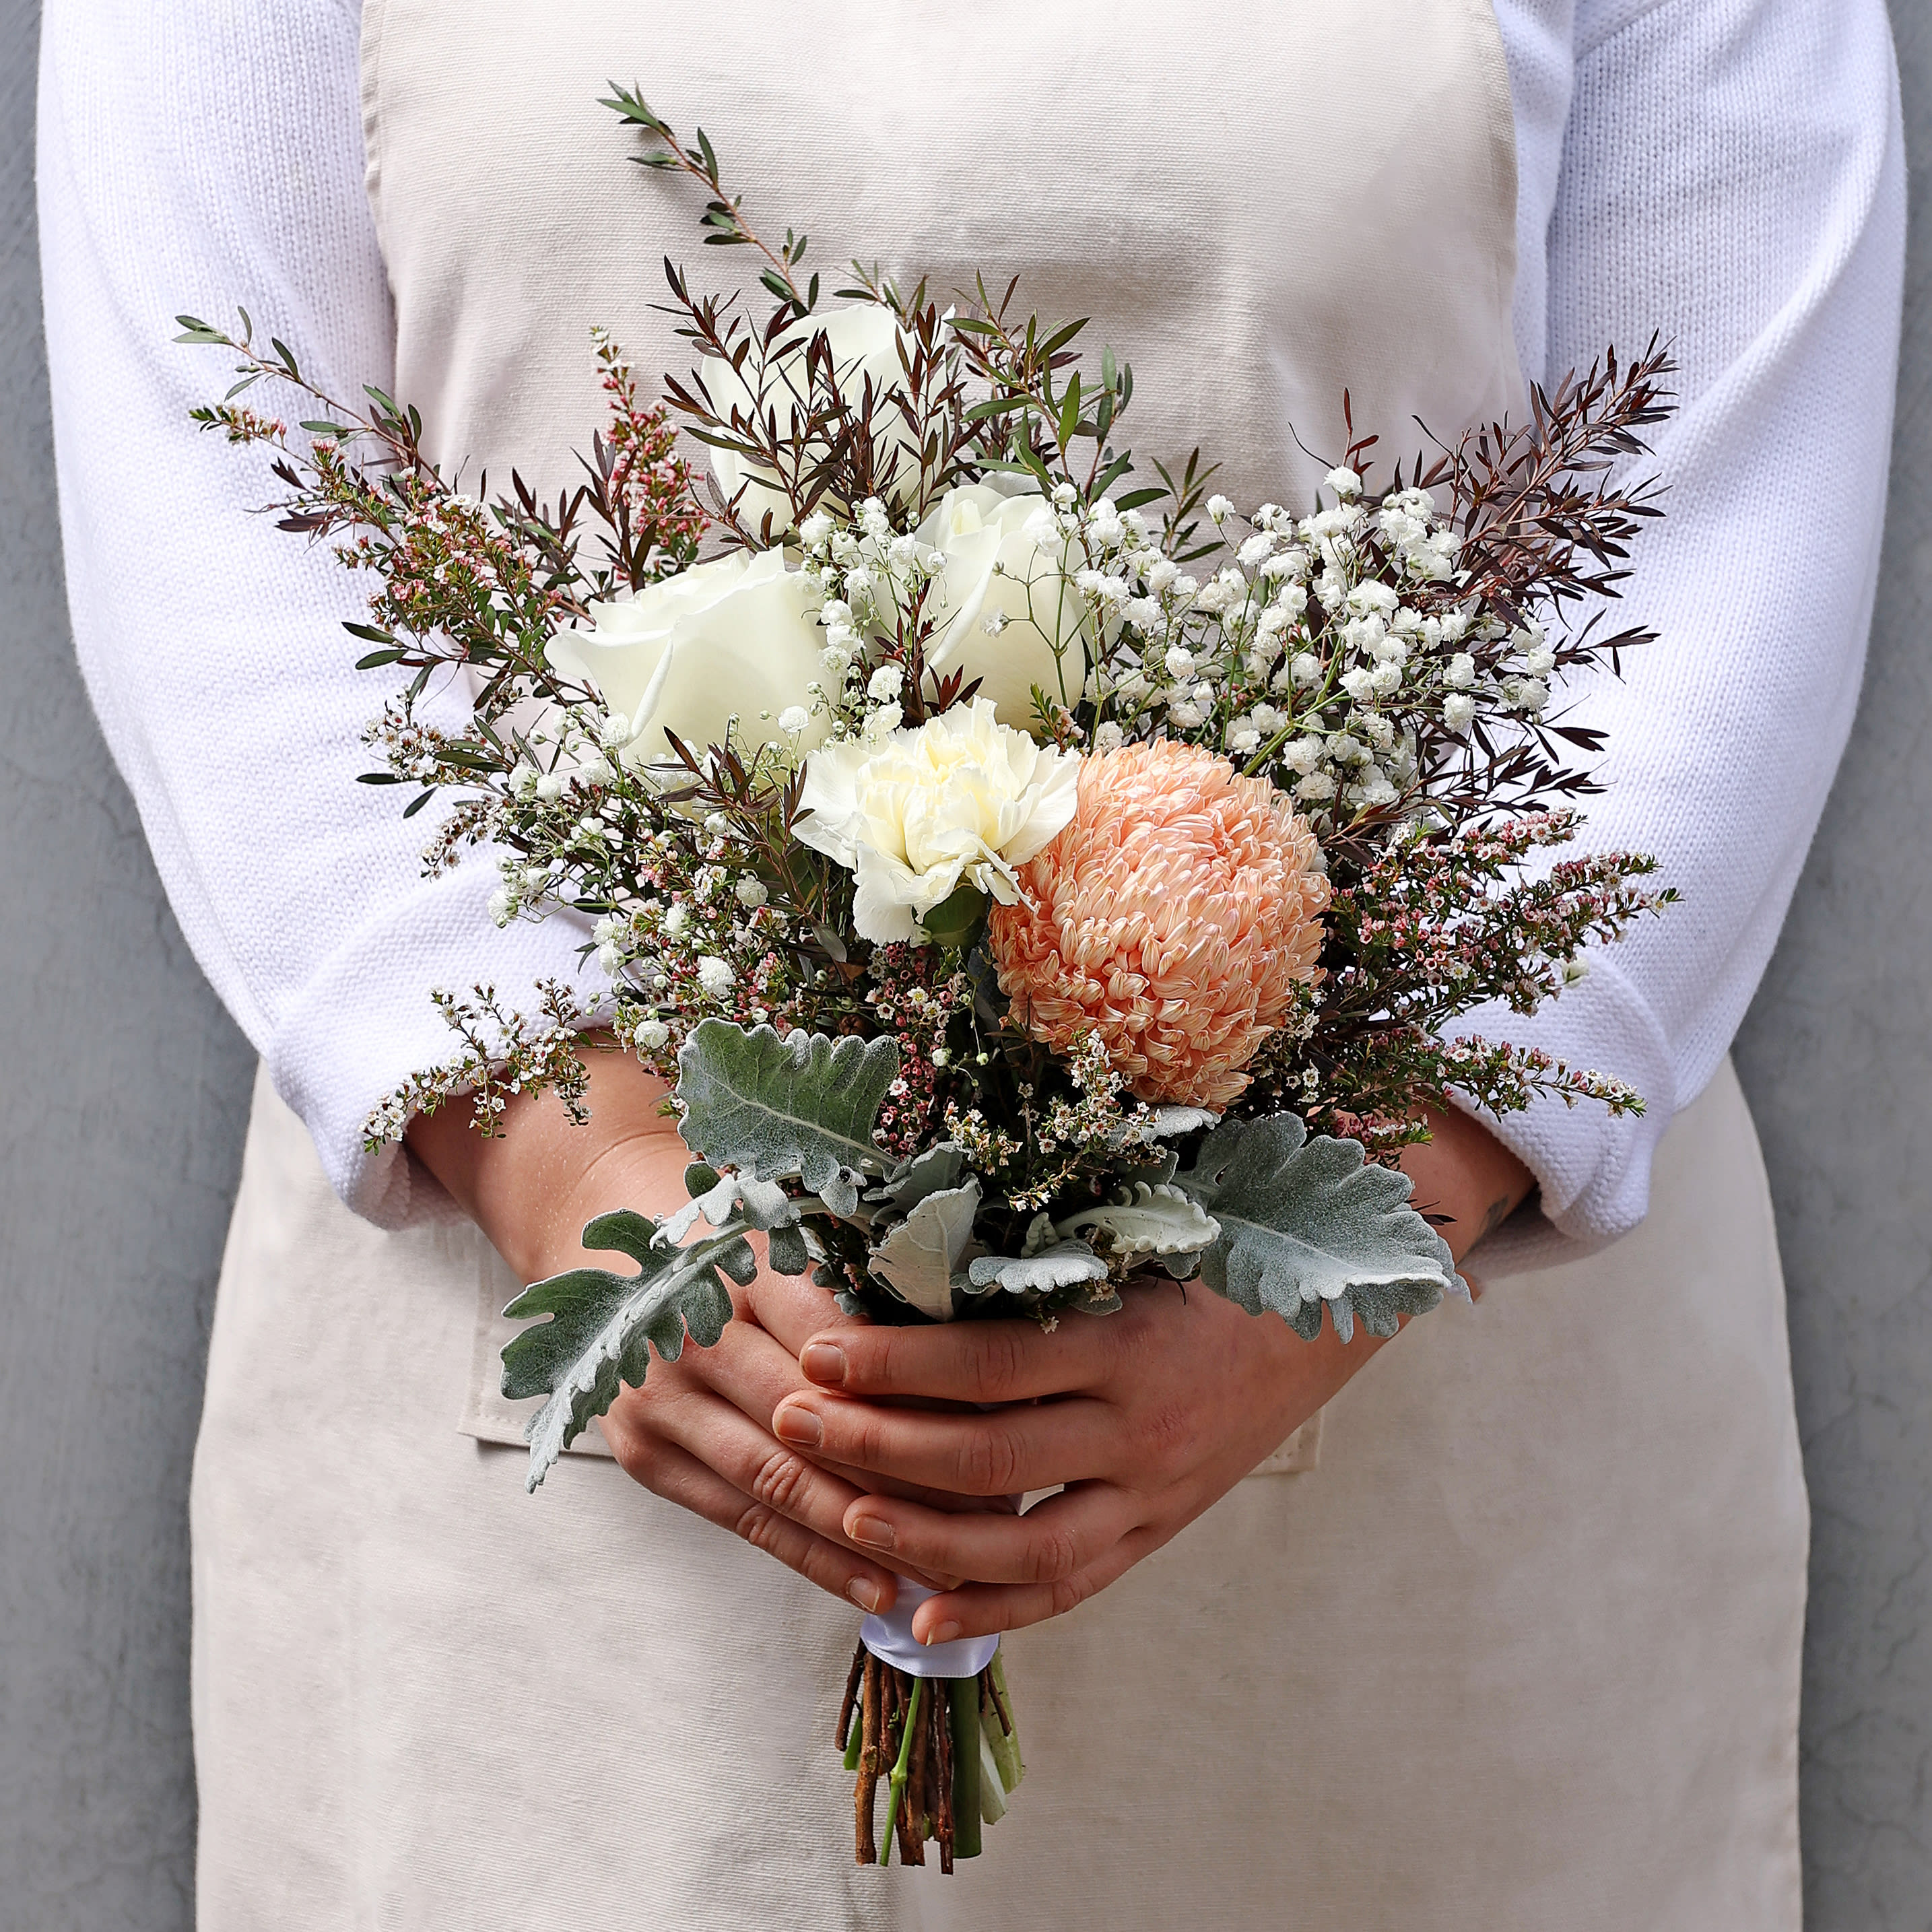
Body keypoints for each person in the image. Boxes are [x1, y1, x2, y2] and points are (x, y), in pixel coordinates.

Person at [38, 1, 1904, 1925]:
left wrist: (1351, 1220)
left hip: (1429, 1432)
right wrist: (582, 1170)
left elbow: (1724, 504)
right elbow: (232, 507)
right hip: (551, 1464)